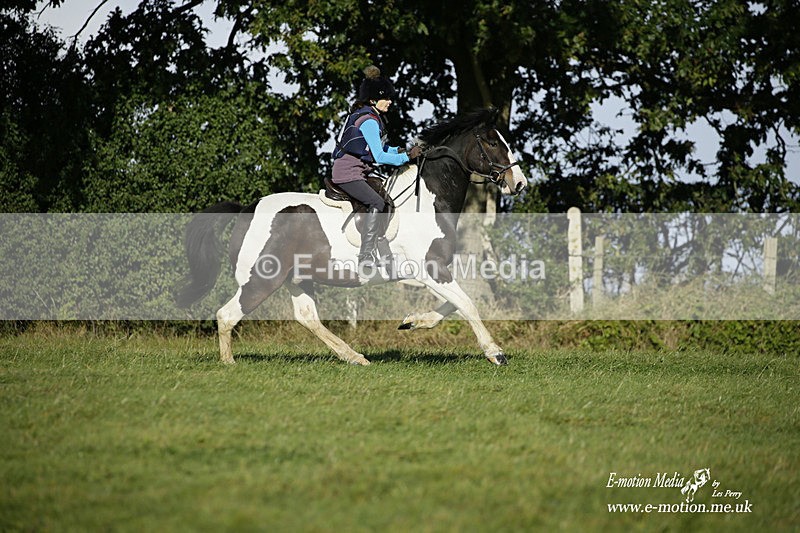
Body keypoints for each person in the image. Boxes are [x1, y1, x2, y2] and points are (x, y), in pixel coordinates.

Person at [332, 65, 422, 270]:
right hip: (348, 173)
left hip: (358, 172)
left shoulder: (369, 116)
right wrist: (407, 157)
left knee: (385, 197)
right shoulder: (369, 121)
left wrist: (400, 152)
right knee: (376, 201)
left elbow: (380, 148)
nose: (390, 102)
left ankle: (384, 253)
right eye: (386, 98)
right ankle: (365, 255)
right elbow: (379, 156)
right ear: (373, 100)